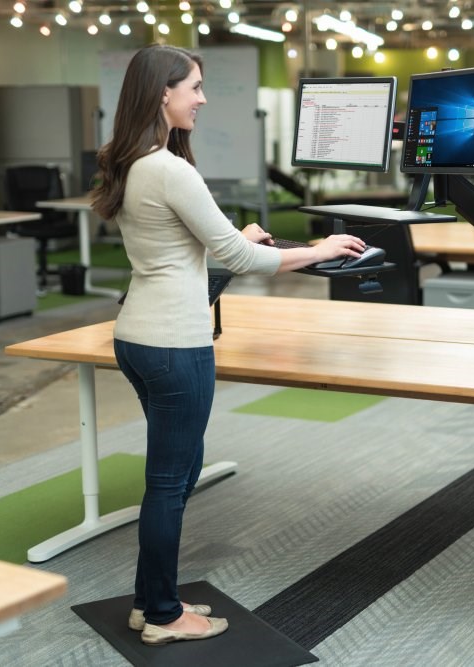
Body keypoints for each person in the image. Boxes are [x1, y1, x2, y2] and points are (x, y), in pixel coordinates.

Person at [89, 44, 364, 646]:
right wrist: (320, 248)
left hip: (140, 333)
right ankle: (161, 615)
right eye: (194, 87)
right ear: (164, 92)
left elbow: (179, 249)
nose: (203, 98)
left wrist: (235, 237)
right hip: (173, 344)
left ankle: (148, 601)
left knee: (177, 473)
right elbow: (240, 259)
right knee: (170, 482)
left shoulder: (134, 160)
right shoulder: (168, 167)